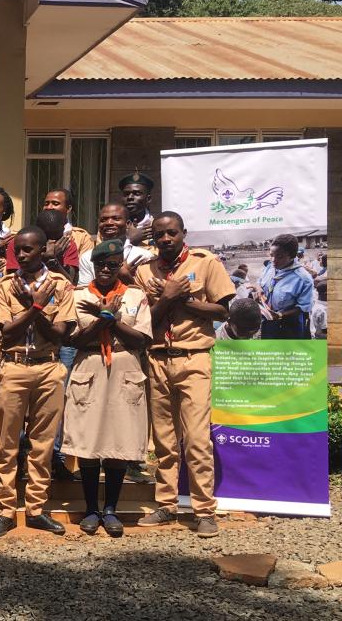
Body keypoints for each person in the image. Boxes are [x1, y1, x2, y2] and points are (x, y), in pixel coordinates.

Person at [135, 212, 233, 538]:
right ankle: (166, 505)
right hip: (158, 359)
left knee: (197, 439)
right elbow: (143, 321)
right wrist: (166, 297)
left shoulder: (206, 263)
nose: (165, 239)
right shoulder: (144, 271)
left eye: (171, 233)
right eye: (159, 234)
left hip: (194, 359)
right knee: (164, 440)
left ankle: (204, 511)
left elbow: (222, 310)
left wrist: (185, 298)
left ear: (182, 233)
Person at [0, 226, 76, 538]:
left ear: (43, 251)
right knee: (7, 442)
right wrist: (36, 306)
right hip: (14, 366)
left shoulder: (61, 285)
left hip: (48, 367)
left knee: (43, 443)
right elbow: (6, 333)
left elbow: (60, 335)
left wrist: (35, 309)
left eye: (28, 250)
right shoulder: (5, 286)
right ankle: (6, 509)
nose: (22, 255)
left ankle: (37, 508)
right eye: (18, 250)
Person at [63, 240, 152, 538]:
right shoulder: (76, 297)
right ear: (93, 265)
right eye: (101, 264)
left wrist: (111, 321)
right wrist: (103, 319)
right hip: (89, 365)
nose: (106, 269)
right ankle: (91, 508)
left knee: (119, 439)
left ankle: (111, 509)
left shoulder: (136, 296)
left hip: (124, 367)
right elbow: (73, 339)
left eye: (113, 265)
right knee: (88, 442)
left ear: (119, 267)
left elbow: (141, 339)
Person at [76, 203, 154, 286]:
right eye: (103, 220)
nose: (109, 223)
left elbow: (149, 294)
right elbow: (84, 293)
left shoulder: (144, 256)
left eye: (116, 219)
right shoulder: (87, 257)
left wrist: (128, 279)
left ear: (127, 224)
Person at [258, 233, 314, 339]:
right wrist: (259, 290)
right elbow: (260, 282)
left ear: (292, 256)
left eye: (280, 257)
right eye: (271, 255)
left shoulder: (303, 279)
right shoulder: (270, 268)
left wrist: (280, 315)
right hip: (268, 322)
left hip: (289, 327)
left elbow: (303, 307)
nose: (273, 260)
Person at [6, 209, 79, 282]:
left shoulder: (67, 244)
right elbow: (14, 279)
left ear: (63, 229)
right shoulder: (19, 244)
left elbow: (70, 281)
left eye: (55, 237)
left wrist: (54, 260)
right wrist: (42, 257)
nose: (51, 242)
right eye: (47, 238)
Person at [42, 188, 93, 255]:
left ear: (68, 208)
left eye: (55, 203)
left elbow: (85, 264)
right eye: (46, 203)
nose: (49, 207)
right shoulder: (34, 234)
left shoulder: (82, 238)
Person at [118, 172, 155, 247]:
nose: (130, 197)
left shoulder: (156, 227)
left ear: (148, 199)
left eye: (137, 194)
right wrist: (130, 241)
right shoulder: (112, 226)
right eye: (126, 194)